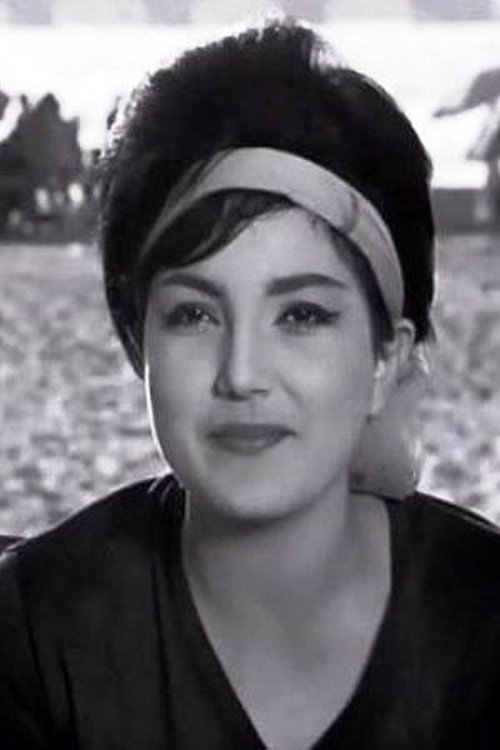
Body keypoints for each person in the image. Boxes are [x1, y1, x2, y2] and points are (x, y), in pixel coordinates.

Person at [1, 20, 499, 750]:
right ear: (139, 343)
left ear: (385, 360)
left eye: (302, 315)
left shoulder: (482, 626)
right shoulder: (37, 634)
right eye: (195, 314)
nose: (241, 374)